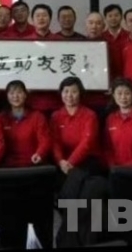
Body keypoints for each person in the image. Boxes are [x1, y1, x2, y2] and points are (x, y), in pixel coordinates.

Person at [50, 77, 108, 248]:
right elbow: (54, 142)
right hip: (63, 164)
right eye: (66, 91)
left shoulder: (90, 115)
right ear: (61, 94)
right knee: (71, 196)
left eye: (74, 91)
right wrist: (61, 161)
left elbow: (87, 143)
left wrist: (70, 162)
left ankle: (69, 240)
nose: (70, 95)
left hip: (87, 161)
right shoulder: (56, 116)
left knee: (78, 197)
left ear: (80, 93)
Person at [0, 80, 50, 167]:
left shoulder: (37, 117)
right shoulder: (1, 118)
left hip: (32, 164)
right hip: (7, 166)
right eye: (12, 93)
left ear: (25, 95)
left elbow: (45, 140)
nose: (15, 96)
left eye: (19, 92)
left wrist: (39, 153)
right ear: (7, 96)